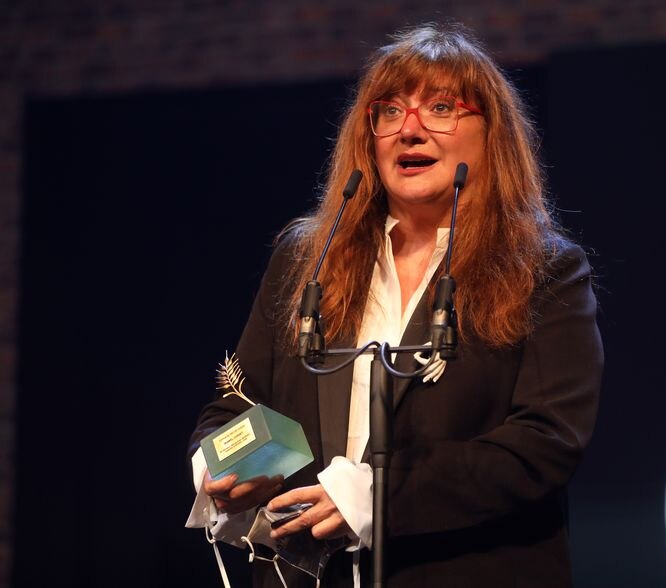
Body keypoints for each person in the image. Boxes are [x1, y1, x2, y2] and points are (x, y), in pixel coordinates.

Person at [188, 23, 603, 588]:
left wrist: (377, 496)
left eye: (439, 107)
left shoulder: (543, 269)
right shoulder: (307, 258)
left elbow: (544, 444)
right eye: (389, 112)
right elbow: (236, 406)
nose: (410, 130)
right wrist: (225, 470)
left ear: (491, 134)